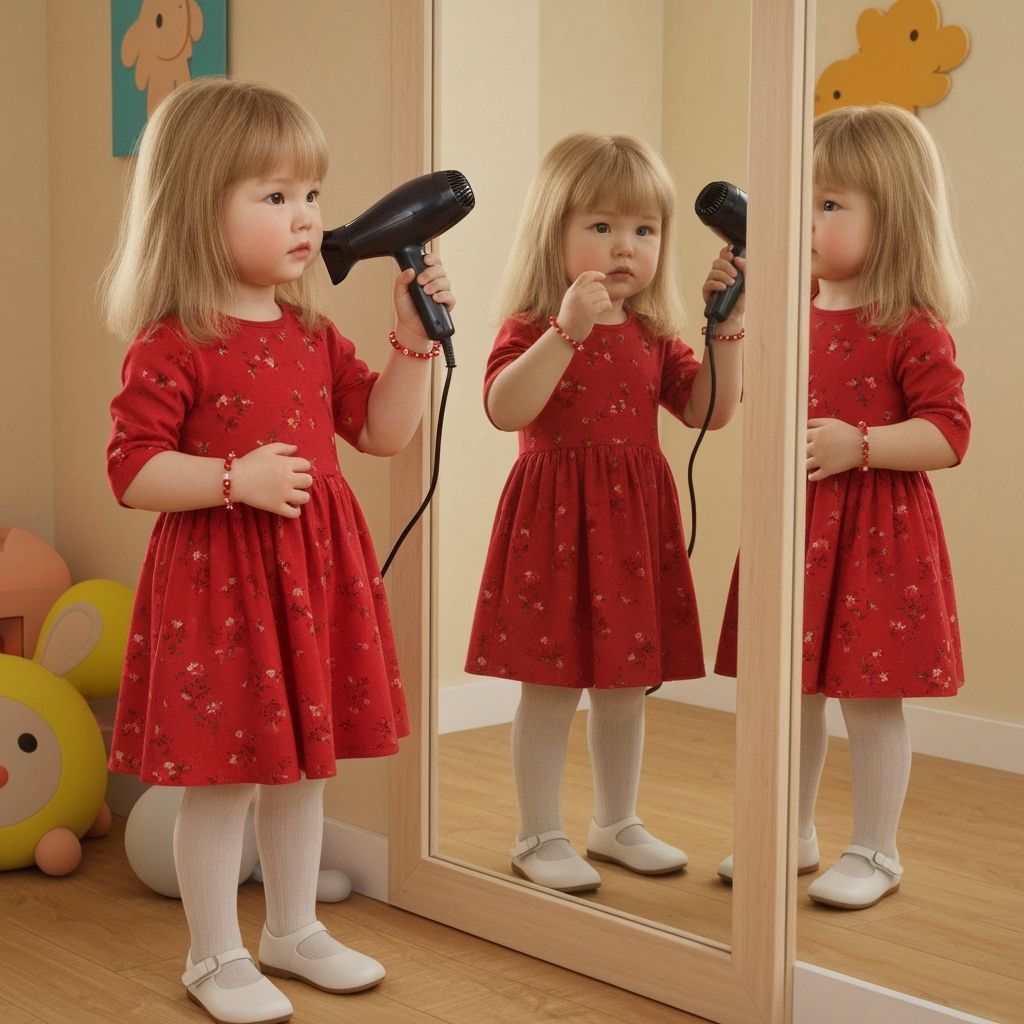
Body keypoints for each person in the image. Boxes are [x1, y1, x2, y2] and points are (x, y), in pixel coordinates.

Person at [102, 77, 455, 1023]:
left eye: (311, 195)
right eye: (274, 196)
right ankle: (212, 955)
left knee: (305, 762)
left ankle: (292, 929)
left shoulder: (310, 330)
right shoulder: (173, 342)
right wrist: (231, 481)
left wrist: (414, 347)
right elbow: (132, 470)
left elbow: (380, 432)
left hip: (311, 574)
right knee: (224, 779)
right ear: (195, 206)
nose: (305, 219)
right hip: (219, 585)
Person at [464, 131, 745, 893]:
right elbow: (502, 407)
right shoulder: (533, 325)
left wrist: (729, 323)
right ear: (551, 233)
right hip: (552, 525)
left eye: (644, 230)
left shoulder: (654, 332)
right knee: (550, 686)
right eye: (601, 227)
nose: (625, 247)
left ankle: (615, 821)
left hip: (629, 526)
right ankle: (538, 833)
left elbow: (708, 410)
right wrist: (566, 331)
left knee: (626, 685)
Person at [715, 104, 970, 910]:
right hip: (796, 529)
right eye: (801, 200)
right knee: (788, 691)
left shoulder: (910, 324)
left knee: (869, 696)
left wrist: (860, 444)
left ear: (889, 215)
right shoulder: (787, 315)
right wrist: (733, 315)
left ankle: (876, 850)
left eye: (830, 204)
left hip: (875, 535)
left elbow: (950, 433)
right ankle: (789, 832)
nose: (805, 220)